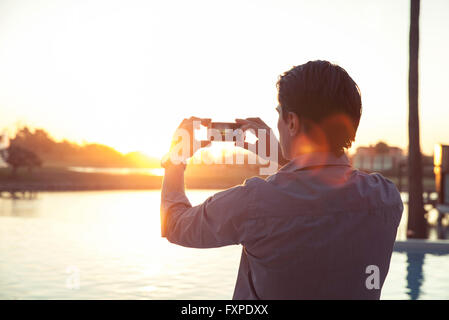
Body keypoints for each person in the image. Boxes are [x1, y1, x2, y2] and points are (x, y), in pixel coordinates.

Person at [160, 60, 403, 299]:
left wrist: (175, 159)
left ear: (292, 122)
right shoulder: (386, 198)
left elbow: (174, 224)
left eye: (280, 114)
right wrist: (282, 158)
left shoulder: (254, 202)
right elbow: (321, 192)